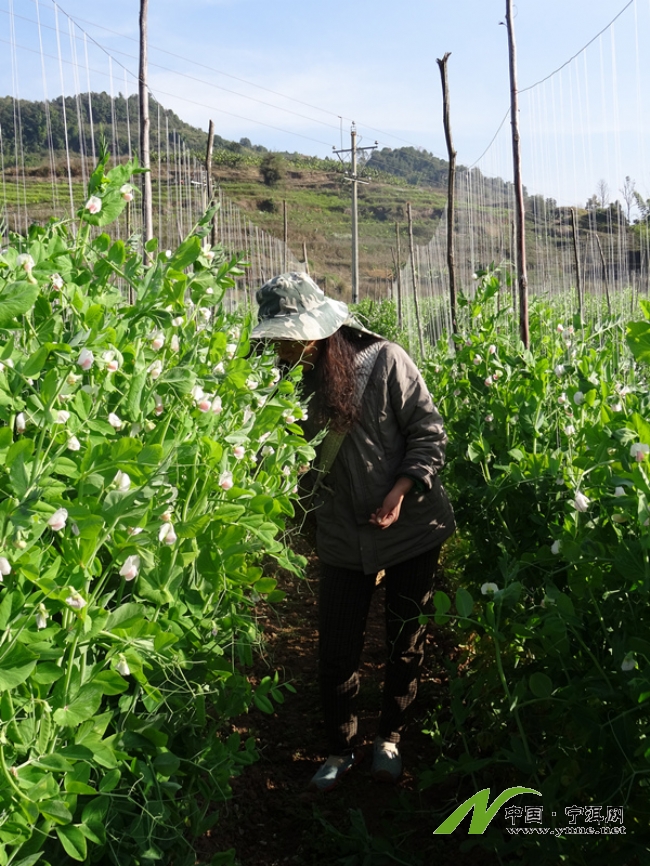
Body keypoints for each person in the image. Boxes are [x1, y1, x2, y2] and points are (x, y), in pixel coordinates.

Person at [251, 272, 455, 792]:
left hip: (411, 527)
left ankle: (389, 736)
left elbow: (428, 432)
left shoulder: (385, 360)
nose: (280, 348)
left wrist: (401, 489)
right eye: (275, 339)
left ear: (318, 331)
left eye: (287, 339)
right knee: (338, 647)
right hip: (341, 532)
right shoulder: (285, 381)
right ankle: (340, 746)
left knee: (404, 638)